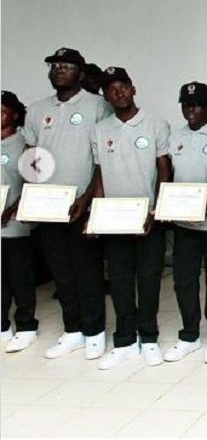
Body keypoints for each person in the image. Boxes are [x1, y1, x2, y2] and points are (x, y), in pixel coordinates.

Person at [23, 47, 109, 361]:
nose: (59, 69)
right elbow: (32, 158)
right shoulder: (37, 110)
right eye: (55, 65)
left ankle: (95, 332)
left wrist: (88, 199)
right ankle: (73, 330)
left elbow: (103, 159)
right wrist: (30, 199)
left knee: (87, 272)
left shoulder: (98, 105)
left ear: (81, 73)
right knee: (61, 273)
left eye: (67, 65)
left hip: (81, 206)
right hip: (48, 207)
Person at [91, 66, 171, 370]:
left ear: (133, 89)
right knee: (120, 281)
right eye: (111, 89)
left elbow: (164, 171)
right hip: (114, 221)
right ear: (105, 95)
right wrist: (96, 214)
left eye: (123, 86)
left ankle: (148, 338)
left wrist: (156, 210)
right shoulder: (100, 130)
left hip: (148, 220)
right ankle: (124, 340)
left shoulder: (156, 125)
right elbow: (99, 175)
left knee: (149, 281)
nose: (118, 93)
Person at [161, 82, 207, 365]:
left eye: (197, 104)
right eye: (186, 105)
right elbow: (168, 175)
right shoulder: (174, 137)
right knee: (184, 280)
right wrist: (166, 204)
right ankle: (189, 334)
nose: (191, 110)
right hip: (184, 226)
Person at [1, 90, 38, 352]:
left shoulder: (25, 144)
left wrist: (13, 207)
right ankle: (2, 325)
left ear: (14, 114)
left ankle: (26, 326)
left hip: (15, 223)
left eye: (2, 111)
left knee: (19, 277)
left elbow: (34, 181)